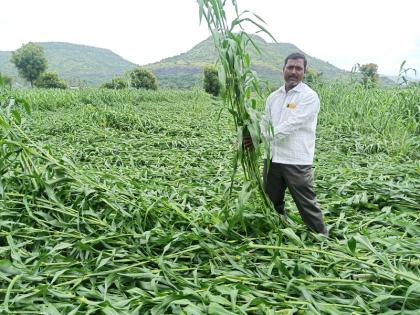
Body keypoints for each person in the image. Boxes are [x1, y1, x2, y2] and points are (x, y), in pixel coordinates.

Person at [244, 52, 328, 235]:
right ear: (283, 70)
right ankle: (276, 231)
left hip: (295, 160)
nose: (294, 71)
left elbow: (291, 125)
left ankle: (321, 238)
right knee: (272, 201)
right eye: (290, 67)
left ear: (304, 72)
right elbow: (265, 121)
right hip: (272, 158)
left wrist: (260, 138)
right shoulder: (273, 97)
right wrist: (252, 131)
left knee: (306, 203)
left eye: (298, 68)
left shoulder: (309, 97)